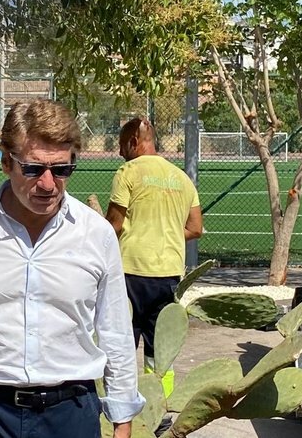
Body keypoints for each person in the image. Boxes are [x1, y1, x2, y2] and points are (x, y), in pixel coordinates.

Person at [0, 100, 144, 438]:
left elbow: (114, 330)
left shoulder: (95, 234)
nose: (47, 184)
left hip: (71, 413)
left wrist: (123, 418)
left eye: (61, 170)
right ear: (6, 162)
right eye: (33, 169)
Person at [105, 117, 202, 398]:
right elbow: (196, 228)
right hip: (169, 274)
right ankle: (159, 411)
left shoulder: (128, 172)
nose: (121, 152)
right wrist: (165, 233)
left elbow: (114, 225)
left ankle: (119, 407)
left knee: (121, 345)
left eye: (123, 145)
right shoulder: (181, 178)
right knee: (159, 348)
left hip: (130, 272)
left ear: (134, 141)